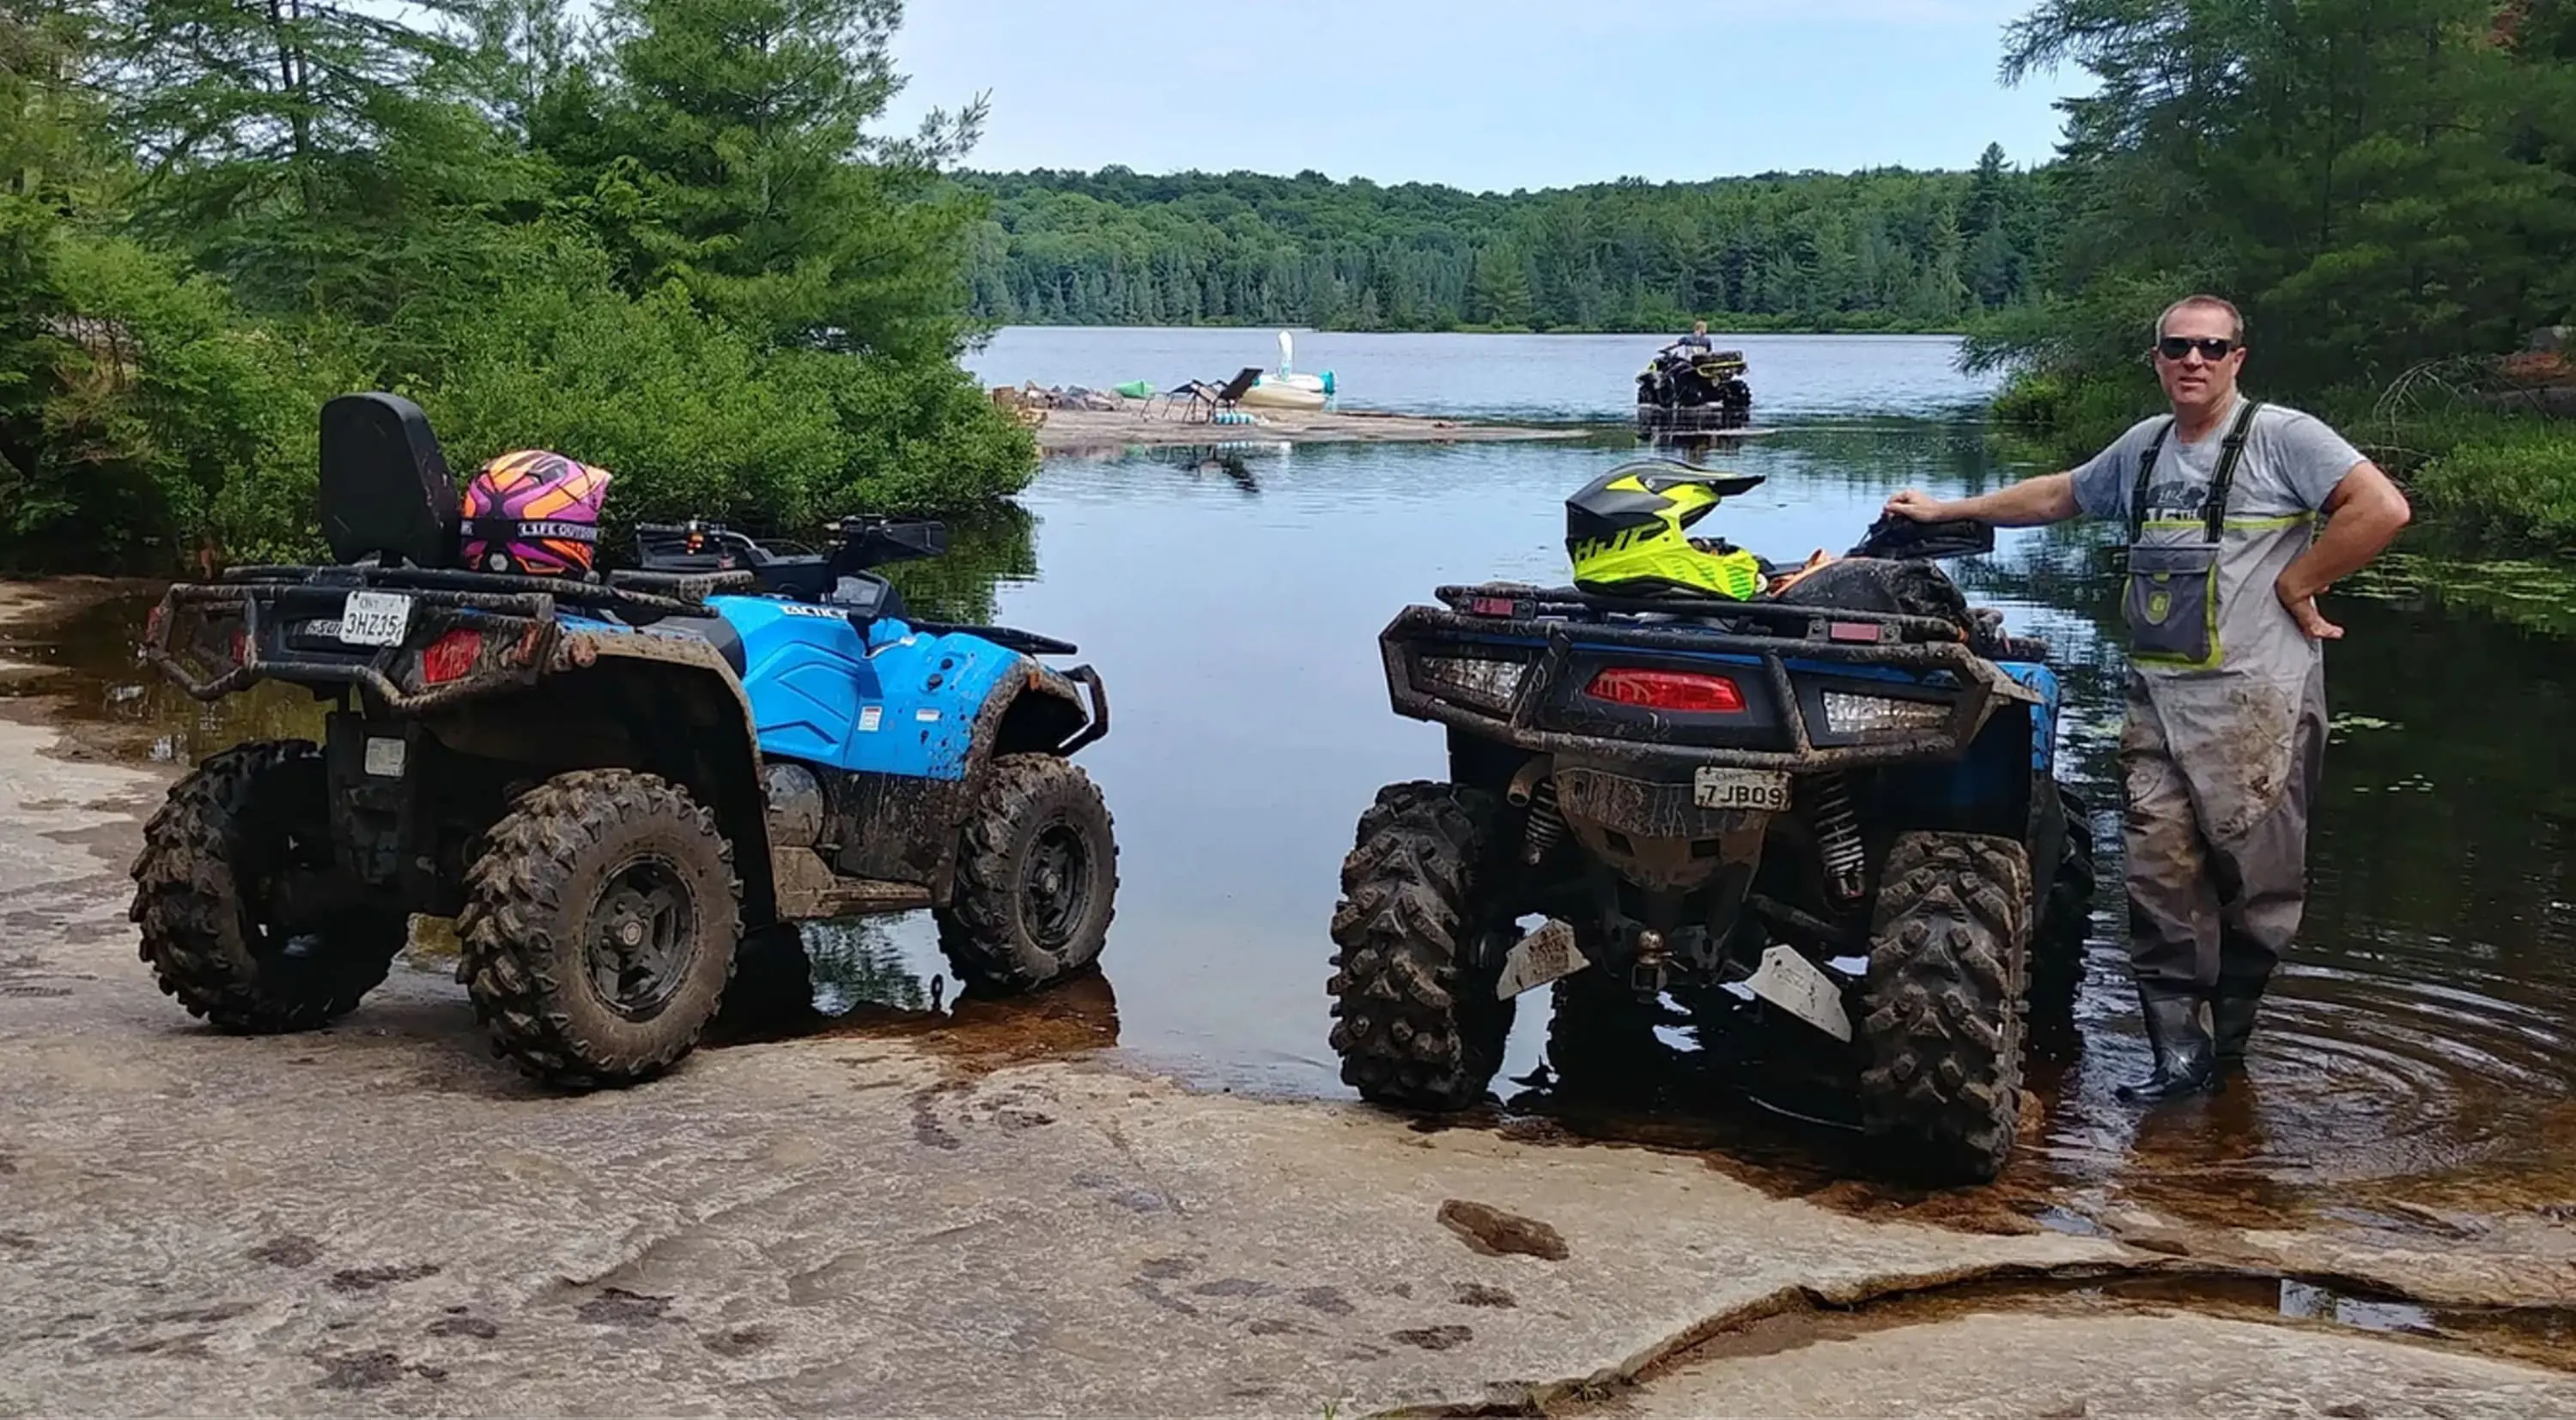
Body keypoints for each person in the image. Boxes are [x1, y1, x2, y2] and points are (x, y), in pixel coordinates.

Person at [1880, 294, 2412, 1103]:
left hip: (2258, 700)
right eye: (2177, 347)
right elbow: (2061, 494)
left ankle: (2227, 1051)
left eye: (2210, 347)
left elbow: (2381, 508)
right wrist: (1948, 510)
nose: (2192, 361)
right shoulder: (2146, 447)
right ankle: (2179, 1063)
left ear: (2238, 357)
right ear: (2158, 359)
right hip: (2158, 701)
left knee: (2257, 888)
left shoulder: (2284, 438)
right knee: (2158, 880)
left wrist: (2302, 579)